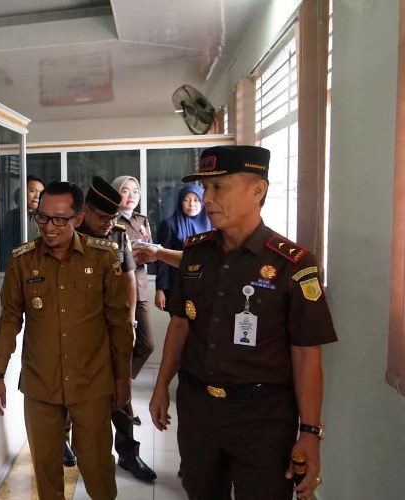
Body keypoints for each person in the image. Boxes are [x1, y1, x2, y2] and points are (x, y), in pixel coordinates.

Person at [148, 145, 337, 500]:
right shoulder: (195, 253)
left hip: (262, 418)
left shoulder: (292, 265)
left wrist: (311, 431)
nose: (207, 199)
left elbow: (306, 354)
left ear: (257, 189)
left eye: (219, 187)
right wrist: (162, 385)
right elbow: (180, 324)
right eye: (205, 188)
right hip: (199, 409)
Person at [0, 181, 133, 500]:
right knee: (45, 469)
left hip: (92, 383)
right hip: (41, 385)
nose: (49, 227)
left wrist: (122, 377)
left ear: (78, 219)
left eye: (59, 219)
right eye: (42, 218)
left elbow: (119, 323)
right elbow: (10, 318)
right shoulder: (22, 261)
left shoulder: (102, 258)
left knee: (96, 467)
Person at [67, 176, 157, 482]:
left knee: (121, 391)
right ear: (85, 213)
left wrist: (130, 322)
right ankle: (64, 439)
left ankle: (129, 454)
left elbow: (128, 279)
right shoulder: (68, 234)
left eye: (113, 217)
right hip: (75, 330)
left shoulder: (118, 235)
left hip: (110, 327)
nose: (109, 223)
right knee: (68, 385)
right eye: (103, 217)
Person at [110, 175, 155, 416]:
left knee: (147, 344)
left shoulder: (142, 220)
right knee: (122, 346)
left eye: (135, 191)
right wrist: (131, 257)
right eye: (125, 191)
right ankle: (123, 404)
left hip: (141, 288)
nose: (130, 196)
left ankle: (119, 390)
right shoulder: (109, 221)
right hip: (119, 292)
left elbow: (150, 249)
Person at [154, 184, 211, 314]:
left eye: (196, 200)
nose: (191, 204)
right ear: (180, 202)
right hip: (177, 286)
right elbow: (162, 259)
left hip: (205, 287)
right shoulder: (169, 224)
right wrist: (160, 289)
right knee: (179, 324)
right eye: (186, 200)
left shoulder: (212, 225)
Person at [0, 175, 44, 270]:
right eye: (32, 191)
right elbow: (8, 245)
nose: (37, 196)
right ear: (22, 192)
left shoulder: (46, 217)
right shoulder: (13, 216)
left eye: (41, 192)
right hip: (19, 266)